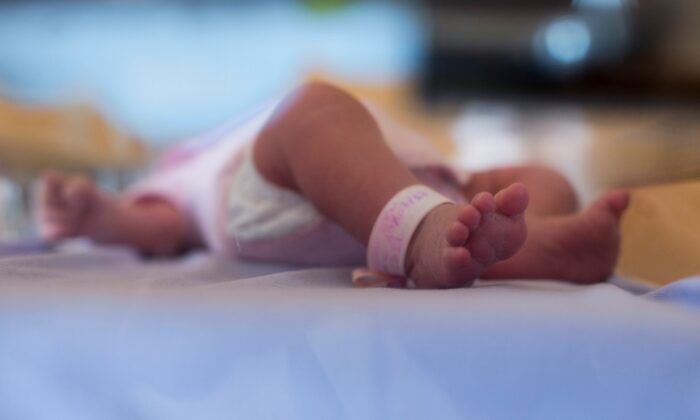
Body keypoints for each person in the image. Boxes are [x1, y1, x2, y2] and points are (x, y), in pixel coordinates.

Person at [35, 82, 629, 289]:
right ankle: (422, 234)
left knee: (533, 180)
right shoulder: (183, 167)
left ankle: (512, 245)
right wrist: (102, 218)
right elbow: (161, 228)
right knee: (309, 108)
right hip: (288, 198)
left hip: (420, 182)